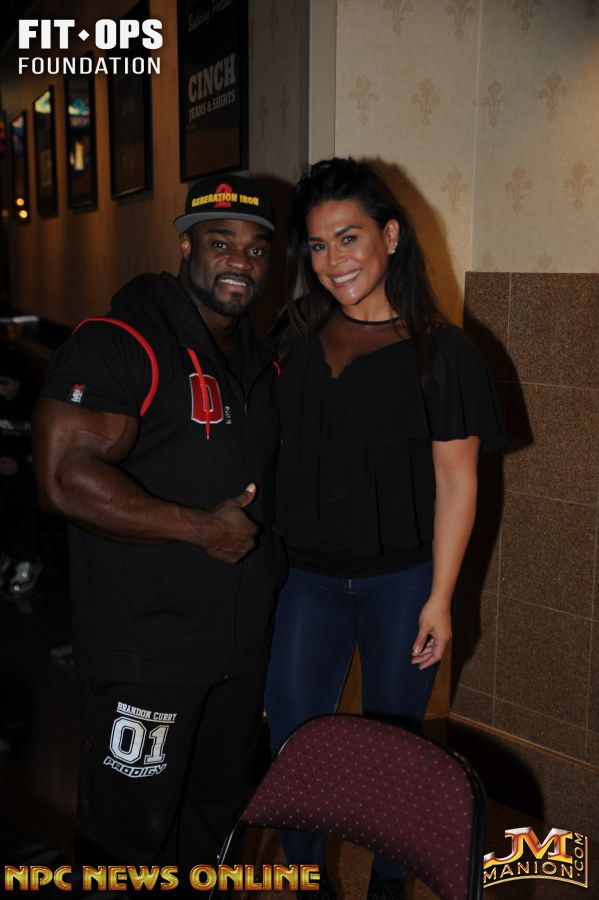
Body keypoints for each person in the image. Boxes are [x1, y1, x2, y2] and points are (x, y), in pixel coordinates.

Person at [33, 174, 286, 890]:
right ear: (185, 246)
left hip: (238, 655)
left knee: (216, 822)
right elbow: (63, 477)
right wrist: (201, 529)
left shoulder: (258, 359)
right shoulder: (122, 342)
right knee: (127, 841)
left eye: (256, 248)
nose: (240, 261)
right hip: (148, 653)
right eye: (220, 242)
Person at [265, 158, 506, 899]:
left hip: (401, 584)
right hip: (305, 579)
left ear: (391, 236)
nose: (333, 260)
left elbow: (457, 482)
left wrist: (441, 598)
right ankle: (307, 880)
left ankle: (387, 883)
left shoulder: (442, 353)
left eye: (349, 237)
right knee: (293, 742)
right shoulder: (293, 336)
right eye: (317, 245)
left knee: (394, 751)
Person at [0, 341, 42, 603]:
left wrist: (22, 463)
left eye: (5, 383)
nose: (1, 390)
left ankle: (28, 560)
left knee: (27, 502)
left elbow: (47, 449)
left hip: (30, 471)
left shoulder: (36, 404)